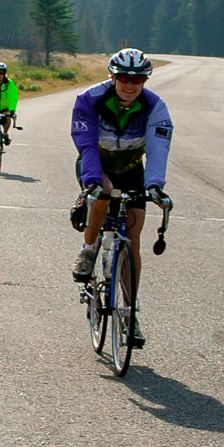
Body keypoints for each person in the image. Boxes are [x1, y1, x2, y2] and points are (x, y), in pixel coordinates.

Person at [69, 48, 173, 344]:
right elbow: (86, 145)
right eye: (124, 77)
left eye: (138, 79)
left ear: (145, 80)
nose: (130, 84)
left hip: (130, 168)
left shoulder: (155, 106)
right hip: (97, 165)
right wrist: (90, 181)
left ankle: (130, 311)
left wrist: (154, 185)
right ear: (113, 76)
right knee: (102, 197)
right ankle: (88, 250)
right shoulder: (90, 99)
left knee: (134, 235)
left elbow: (157, 149)